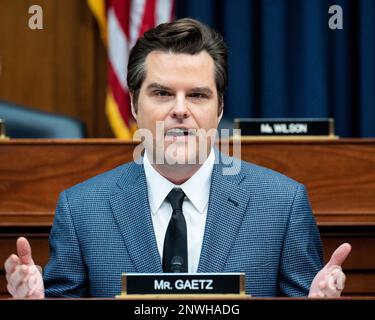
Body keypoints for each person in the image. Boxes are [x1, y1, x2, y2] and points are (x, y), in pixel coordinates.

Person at [4, 18, 351, 298]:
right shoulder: (81, 209)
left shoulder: (282, 205)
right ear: (134, 107)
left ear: (220, 110)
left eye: (198, 95)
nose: (180, 110)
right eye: (162, 93)